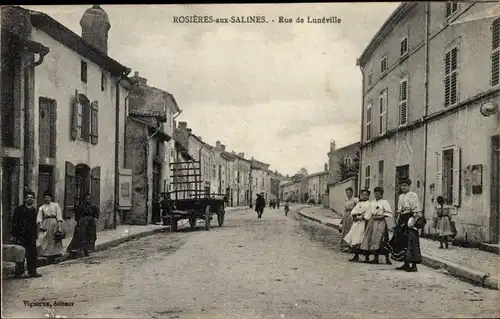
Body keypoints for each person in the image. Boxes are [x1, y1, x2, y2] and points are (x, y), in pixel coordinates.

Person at [387, 179, 425, 272]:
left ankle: (414, 265)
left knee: (411, 242)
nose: (403, 187)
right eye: (401, 185)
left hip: (410, 219)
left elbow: (416, 210)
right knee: (402, 242)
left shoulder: (413, 195)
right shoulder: (400, 196)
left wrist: (413, 222)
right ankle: (406, 263)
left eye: (405, 185)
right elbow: (400, 210)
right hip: (402, 219)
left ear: (409, 186)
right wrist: (397, 222)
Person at [11, 191, 42, 278]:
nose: (30, 199)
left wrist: (36, 236)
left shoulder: (34, 211)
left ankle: (32, 272)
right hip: (20, 235)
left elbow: (36, 224)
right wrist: (14, 235)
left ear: (34, 199)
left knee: (32, 254)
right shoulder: (19, 210)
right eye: (28, 197)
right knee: (20, 254)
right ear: (25, 199)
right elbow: (14, 222)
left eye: (31, 197)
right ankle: (18, 272)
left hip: (31, 236)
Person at [360, 187, 393, 264]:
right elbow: (368, 213)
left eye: (378, 193)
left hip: (380, 222)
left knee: (381, 239)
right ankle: (375, 257)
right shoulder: (372, 202)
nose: (377, 195)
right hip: (372, 222)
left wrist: (381, 216)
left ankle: (387, 258)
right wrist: (364, 218)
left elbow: (388, 213)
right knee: (372, 239)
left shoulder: (384, 202)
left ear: (381, 194)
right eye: (375, 193)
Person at [343, 189, 371, 262]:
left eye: (366, 195)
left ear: (368, 196)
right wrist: (355, 216)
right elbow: (353, 211)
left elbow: (368, 213)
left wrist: (363, 217)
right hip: (357, 223)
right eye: (363, 195)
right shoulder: (359, 204)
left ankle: (366, 257)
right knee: (355, 237)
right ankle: (356, 255)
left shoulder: (369, 204)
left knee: (363, 239)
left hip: (364, 223)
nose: (364, 196)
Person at [37, 190, 64, 263]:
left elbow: (59, 216)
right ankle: (46, 255)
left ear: (51, 198)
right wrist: (41, 225)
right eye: (45, 197)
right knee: (44, 238)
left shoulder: (56, 205)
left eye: (48, 197)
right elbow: (39, 217)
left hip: (54, 223)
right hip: (45, 223)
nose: (47, 199)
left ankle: (56, 256)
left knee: (54, 239)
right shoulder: (41, 207)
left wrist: (60, 226)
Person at [340, 187, 359, 252]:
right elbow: (345, 210)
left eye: (349, 193)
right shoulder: (346, 200)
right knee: (345, 230)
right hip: (346, 216)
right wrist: (342, 218)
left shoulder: (355, 200)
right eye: (347, 193)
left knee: (351, 230)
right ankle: (345, 246)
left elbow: (358, 207)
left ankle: (351, 246)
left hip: (352, 215)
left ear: (352, 193)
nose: (348, 194)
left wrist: (356, 216)